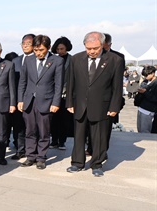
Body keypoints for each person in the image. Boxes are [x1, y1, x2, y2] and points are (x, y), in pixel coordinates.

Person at [66, 32, 124, 177]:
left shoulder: (115, 60)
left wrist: (114, 106)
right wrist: (69, 102)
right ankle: (77, 162)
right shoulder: (76, 59)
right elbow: (70, 82)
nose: (92, 51)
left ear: (102, 45)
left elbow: (117, 86)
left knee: (99, 137)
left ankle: (97, 164)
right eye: (88, 48)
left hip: (102, 105)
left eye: (95, 48)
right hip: (80, 104)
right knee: (78, 135)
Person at [18, 35, 63, 170]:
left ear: (48, 48)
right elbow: (23, 82)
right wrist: (20, 99)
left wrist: (56, 102)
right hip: (29, 101)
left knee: (44, 132)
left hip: (46, 101)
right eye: (36, 50)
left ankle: (41, 157)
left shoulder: (56, 61)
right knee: (30, 130)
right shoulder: (29, 60)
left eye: (41, 50)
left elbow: (58, 85)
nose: (38, 53)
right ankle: (30, 156)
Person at [9, 34, 35, 160]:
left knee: (32, 127)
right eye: (23, 43)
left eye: (28, 43)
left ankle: (33, 151)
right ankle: (20, 149)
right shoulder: (15, 61)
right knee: (18, 126)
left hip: (34, 99)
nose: (25, 46)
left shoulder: (38, 60)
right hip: (18, 99)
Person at [49, 36, 74, 150]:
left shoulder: (72, 60)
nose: (60, 51)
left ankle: (62, 141)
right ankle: (54, 140)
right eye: (58, 49)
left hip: (66, 93)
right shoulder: (52, 59)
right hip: (53, 93)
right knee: (53, 119)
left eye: (62, 49)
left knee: (65, 119)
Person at [136, 66, 157, 133]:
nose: (146, 77)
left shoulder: (155, 83)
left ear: (153, 73)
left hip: (149, 110)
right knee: (140, 129)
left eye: (147, 75)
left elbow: (155, 98)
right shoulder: (145, 81)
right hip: (141, 108)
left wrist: (145, 92)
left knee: (145, 131)